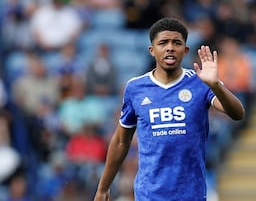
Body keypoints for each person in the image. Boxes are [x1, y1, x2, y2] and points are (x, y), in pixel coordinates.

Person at [93, 17, 245, 201]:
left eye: (177, 43)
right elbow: (120, 141)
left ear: (185, 50)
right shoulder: (135, 88)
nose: (170, 47)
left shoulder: (201, 82)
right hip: (149, 195)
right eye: (163, 42)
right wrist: (103, 187)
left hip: (191, 195)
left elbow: (237, 114)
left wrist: (216, 85)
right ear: (152, 50)